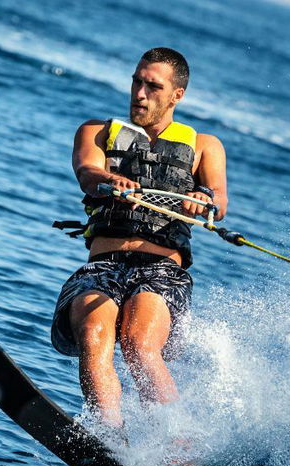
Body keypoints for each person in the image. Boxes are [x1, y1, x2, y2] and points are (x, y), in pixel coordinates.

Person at [50, 47, 228, 432]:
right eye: (136, 81)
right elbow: (86, 171)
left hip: (161, 271)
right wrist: (109, 181)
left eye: (152, 86)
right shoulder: (95, 131)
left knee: (138, 345)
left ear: (177, 95)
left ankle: (181, 450)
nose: (140, 93)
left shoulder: (204, 146)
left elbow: (219, 200)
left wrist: (204, 199)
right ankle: (111, 441)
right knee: (94, 335)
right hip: (102, 267)